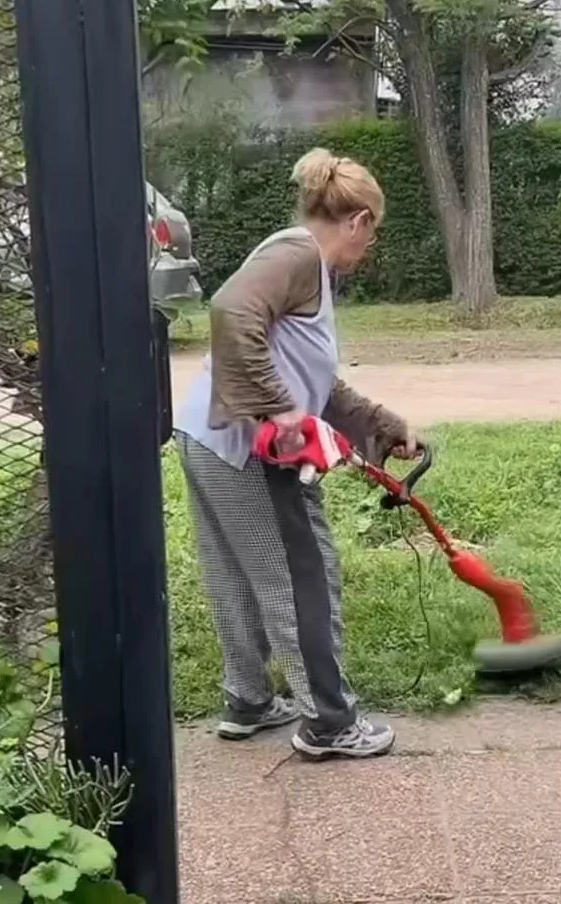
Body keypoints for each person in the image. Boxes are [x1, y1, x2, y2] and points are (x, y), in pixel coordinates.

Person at [173, 148, 418, 759]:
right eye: (373, 232)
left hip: (206, 438)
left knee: (235, 572)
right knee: (303, 575)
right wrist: (279, 413)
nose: (370, 246)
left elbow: (313, 380)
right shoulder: (299, 253)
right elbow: (231, 310)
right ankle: (329, 722)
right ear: (357, 220)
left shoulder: (303, 267)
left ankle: (250, 700)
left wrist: (380, 424)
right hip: (248, 450)